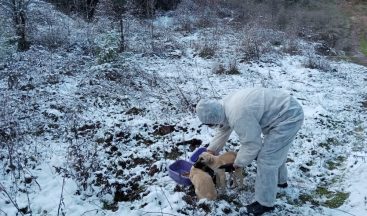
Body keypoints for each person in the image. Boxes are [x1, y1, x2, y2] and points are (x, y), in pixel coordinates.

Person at [196, 88, 304, 216]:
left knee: (267, 158)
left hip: (288, 117)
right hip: (281, 110)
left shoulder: (238, 115)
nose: (212, 126)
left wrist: (238, 163)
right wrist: (212, 149)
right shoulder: (224, 105)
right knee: (276, 151)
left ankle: (264, 203)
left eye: (210, 124)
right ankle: (281, 181)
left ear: (214, 118)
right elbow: (223, 128)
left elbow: (252, 144)